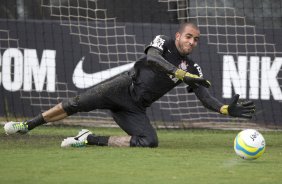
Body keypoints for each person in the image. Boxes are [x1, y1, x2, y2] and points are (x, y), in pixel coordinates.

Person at [4, 22, 256, 148]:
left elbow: (205, 97)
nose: (192, 42)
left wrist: (224, 109)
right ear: (178, 36)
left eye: (196, 40)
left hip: (135, 107)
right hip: (122, 88)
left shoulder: (194, 69)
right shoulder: (163, 42)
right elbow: (152, 58)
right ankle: (27, 125)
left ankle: (88, 139)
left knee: (149, 141)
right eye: (188, 36)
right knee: (76, 103)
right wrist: (179, 73)